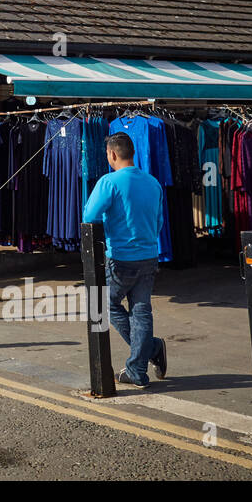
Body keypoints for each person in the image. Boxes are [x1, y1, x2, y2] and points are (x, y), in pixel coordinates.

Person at [82, 131, 168, 387]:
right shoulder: (153, 183)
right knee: (141, 310)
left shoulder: (109, 182)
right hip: (150, 254)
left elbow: (89, 215)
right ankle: (139, 368)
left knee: (104, 305)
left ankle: (150, 350)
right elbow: (159, 221)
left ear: (112, 154)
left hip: (121, 257)